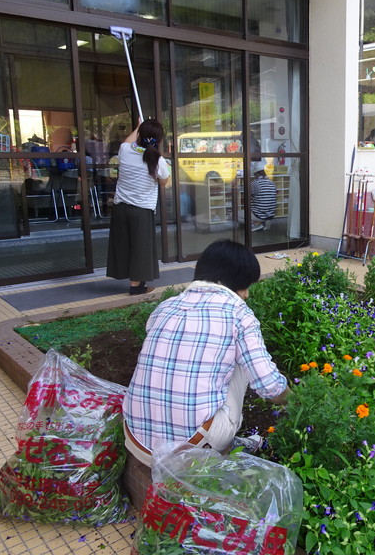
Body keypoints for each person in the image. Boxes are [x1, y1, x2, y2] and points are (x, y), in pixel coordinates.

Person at [122, 240, 291, 506]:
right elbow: (269, 386)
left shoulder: (165, 307)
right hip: (190, 450)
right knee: (242, 363)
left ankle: (222, 439)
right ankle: (220, 455)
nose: (246, 294)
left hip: (137, 443)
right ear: (235, 281)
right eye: (246, 285)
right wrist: (296, 402)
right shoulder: (237, 313)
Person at [106, 119, 170, 295]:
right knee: (140, 248)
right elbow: (164, 182)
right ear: (159, 139)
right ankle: (136, 287)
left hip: (120, 208)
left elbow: (127, 142)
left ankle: (134, 281)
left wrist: (137, 127)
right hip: (141, 210)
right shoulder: (158, 161)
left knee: (124, 245)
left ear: (140, 135)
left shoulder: (125, 151)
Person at [250, 161, 277, 231]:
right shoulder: (271, 182)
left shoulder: (255, 182)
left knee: (234, 215)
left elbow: (249, 195)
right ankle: (264, 222)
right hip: (271, 214)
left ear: (257, 173)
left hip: (258, 214)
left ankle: (256, 224)